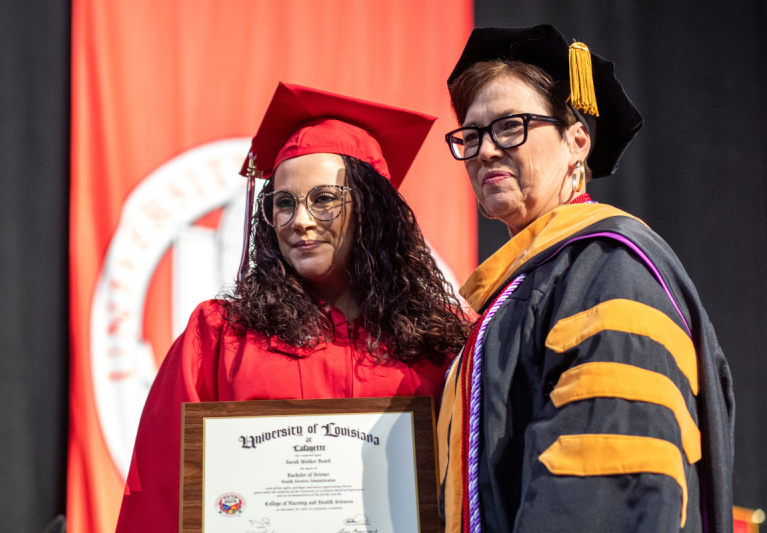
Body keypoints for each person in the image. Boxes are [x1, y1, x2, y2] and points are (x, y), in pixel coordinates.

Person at [115, 82, 470, 532]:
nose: (299, 220)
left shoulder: (441, 341)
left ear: (372, 209)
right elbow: (162, 493)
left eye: (323, 199)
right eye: (283, 203)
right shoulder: (221, 336)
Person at [437, 25, 734, 533]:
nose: (485, 151)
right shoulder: (520, 284)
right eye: (471, 135)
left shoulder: (608, 267)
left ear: (577, 141)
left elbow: (609, 478)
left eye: (510, 127)